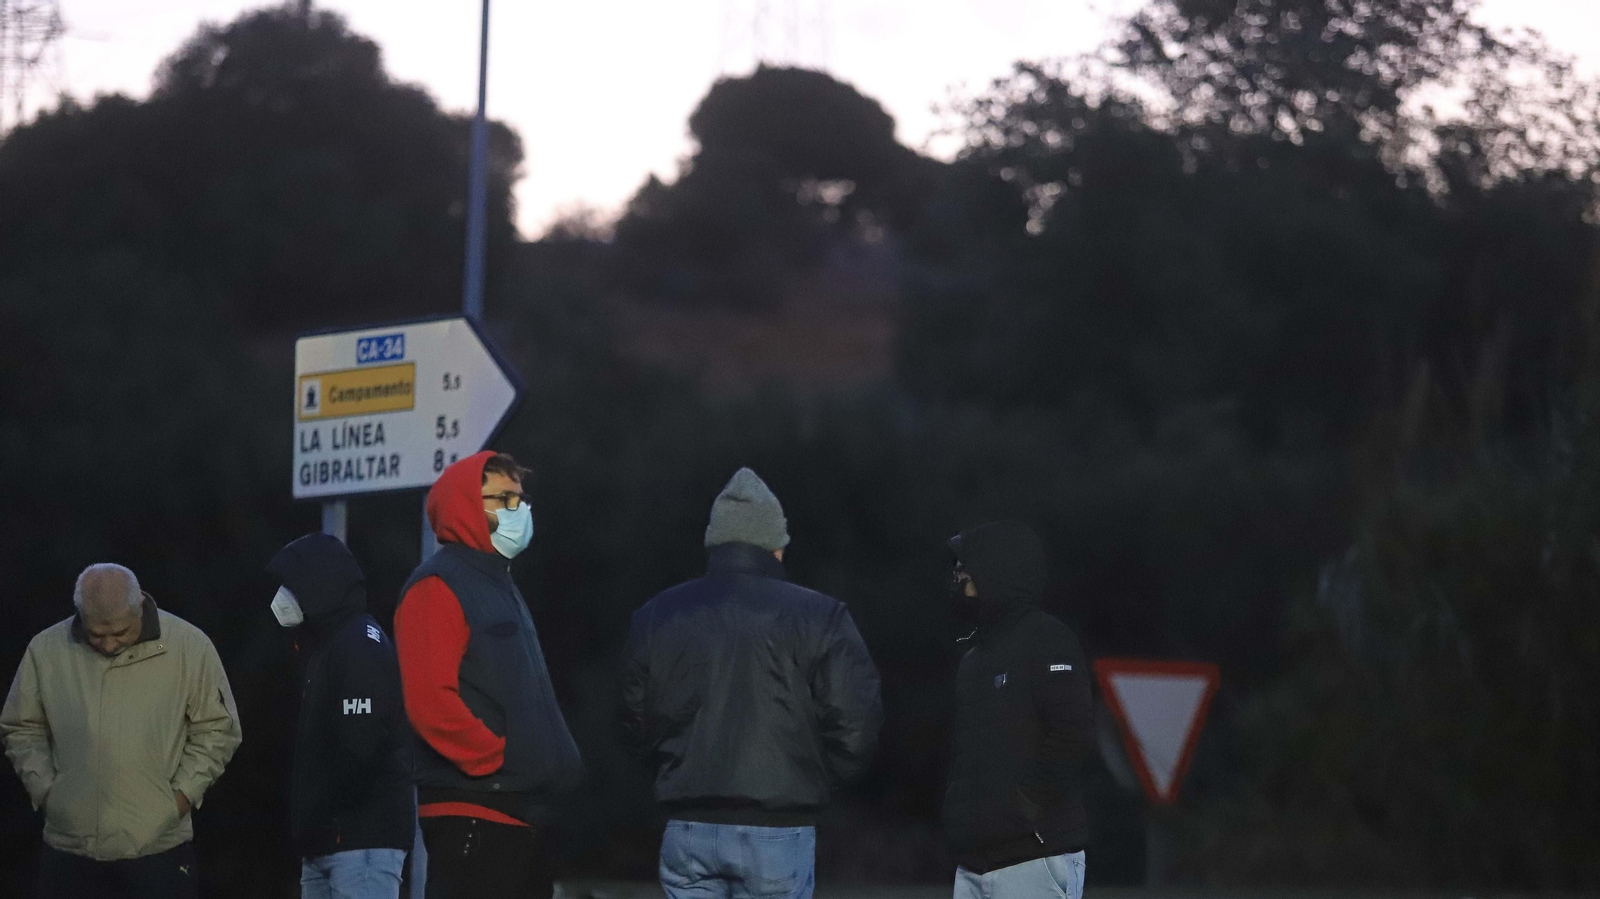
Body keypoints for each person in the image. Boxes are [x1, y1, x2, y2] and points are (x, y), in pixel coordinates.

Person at [622, 467, 883, 899]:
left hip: (688, 825)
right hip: (779, 827)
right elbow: (856, 723)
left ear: (715, 542)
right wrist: (808, 780)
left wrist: (679, 773)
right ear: (777, 544)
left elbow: (633, 719)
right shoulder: (822, 616)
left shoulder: (657, 614)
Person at [394, 451, 584, 899]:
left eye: (521, 498)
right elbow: (428, 701)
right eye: (504, 498)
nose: (520, 509)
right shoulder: (437, 585)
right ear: (466, 505)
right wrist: (494, 759)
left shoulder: (500, 585)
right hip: (475, 813)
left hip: (517, 811)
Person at [0, 563, 242, 899]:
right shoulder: (46, 650)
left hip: (158, 850)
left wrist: (180, 797)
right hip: (70, 851)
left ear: (139, 606)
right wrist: (48, 793)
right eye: (97, 634)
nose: (110, 644)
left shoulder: (190, 646)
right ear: (80, 615)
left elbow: (218, 728)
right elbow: (22, 726)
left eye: (121, 632)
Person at [942, 521, 1093, 899]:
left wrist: (1022, 811)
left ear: (997, 568)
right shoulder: (974, 659)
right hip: (975, 863)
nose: (957, 575)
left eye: (965, 565)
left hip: (1034, 859)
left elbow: (1072, 735)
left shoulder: (1047, 638)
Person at [267, 533, 415, 899]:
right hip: (331, 842)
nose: (284, 594)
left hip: (359, 843)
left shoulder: (358, 645)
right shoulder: (330, 647)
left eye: (293, 584)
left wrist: (326, 819)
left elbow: (360, 750)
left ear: (320, 583)